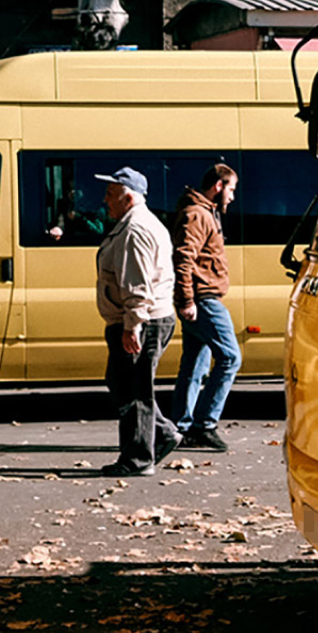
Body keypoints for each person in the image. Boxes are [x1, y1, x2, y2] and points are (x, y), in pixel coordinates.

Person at [93, 167, 180, 477]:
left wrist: (133, 325)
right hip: (140, 317)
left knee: (134, 390)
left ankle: (138, 458)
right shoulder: (134, 224)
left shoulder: (134, 230)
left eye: (111, 194)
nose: (105, 201)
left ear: (128, 197)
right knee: (121, 384)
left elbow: (137, 283)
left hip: (142, 320)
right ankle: (162, 435)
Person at [170, 164, 240, 453]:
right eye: (232, 189)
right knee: (230, 358)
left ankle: (180, 428)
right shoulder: (197, 214)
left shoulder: (203, 211)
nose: (233, 197)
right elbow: (183, 259)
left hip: (200, 298)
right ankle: (205, 425)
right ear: (219, 186)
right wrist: (186, 300)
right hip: (203, 299)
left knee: (195, 364)